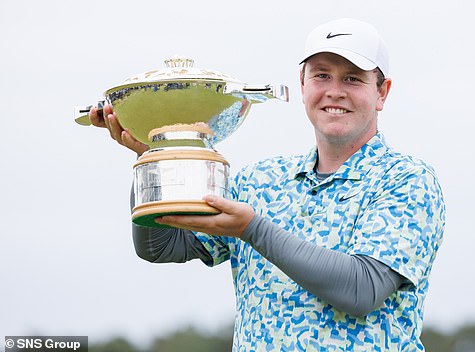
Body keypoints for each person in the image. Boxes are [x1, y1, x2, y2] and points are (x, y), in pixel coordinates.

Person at [90, 18, 445, 351]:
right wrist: (155, 158)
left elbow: (361, 289)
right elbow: (162, 246)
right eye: (322, 76)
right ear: (303, 84)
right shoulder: (260, 181)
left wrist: (252, 229)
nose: (335, 91)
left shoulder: (407, 180)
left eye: (352, 79)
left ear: (382, 92)